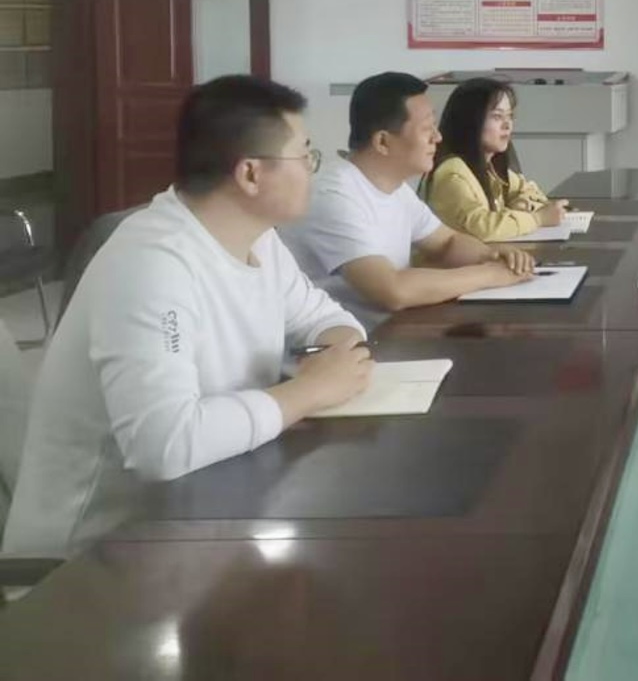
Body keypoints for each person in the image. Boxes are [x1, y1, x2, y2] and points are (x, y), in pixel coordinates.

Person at [2, 76, 373, 560]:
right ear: (250, 174)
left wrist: (335, 354)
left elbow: (326, 318)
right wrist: (309, 391)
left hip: (206, 516)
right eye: (305, 156)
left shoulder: (259, 239)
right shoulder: (151, 261)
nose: (312, 170)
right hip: (89, 560)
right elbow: (164, 446)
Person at [282, 72, 534, 330]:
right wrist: (489, 274)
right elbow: (392, 290)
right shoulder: (334, 195)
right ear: (383, 142)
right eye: (427, 129)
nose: (438, 137)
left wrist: (490, 255)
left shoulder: (397, 189)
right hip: (346, 344)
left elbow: (446, 243)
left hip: (392, 332)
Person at [423, 77, 570, 241]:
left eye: (510, 116)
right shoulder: (452, 173)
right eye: (497, 117)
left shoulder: (490, 165)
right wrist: (538, 219)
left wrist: (521, 204)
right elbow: (481, 226)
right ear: (469, 121)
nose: (507, 125)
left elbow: (532, 193)